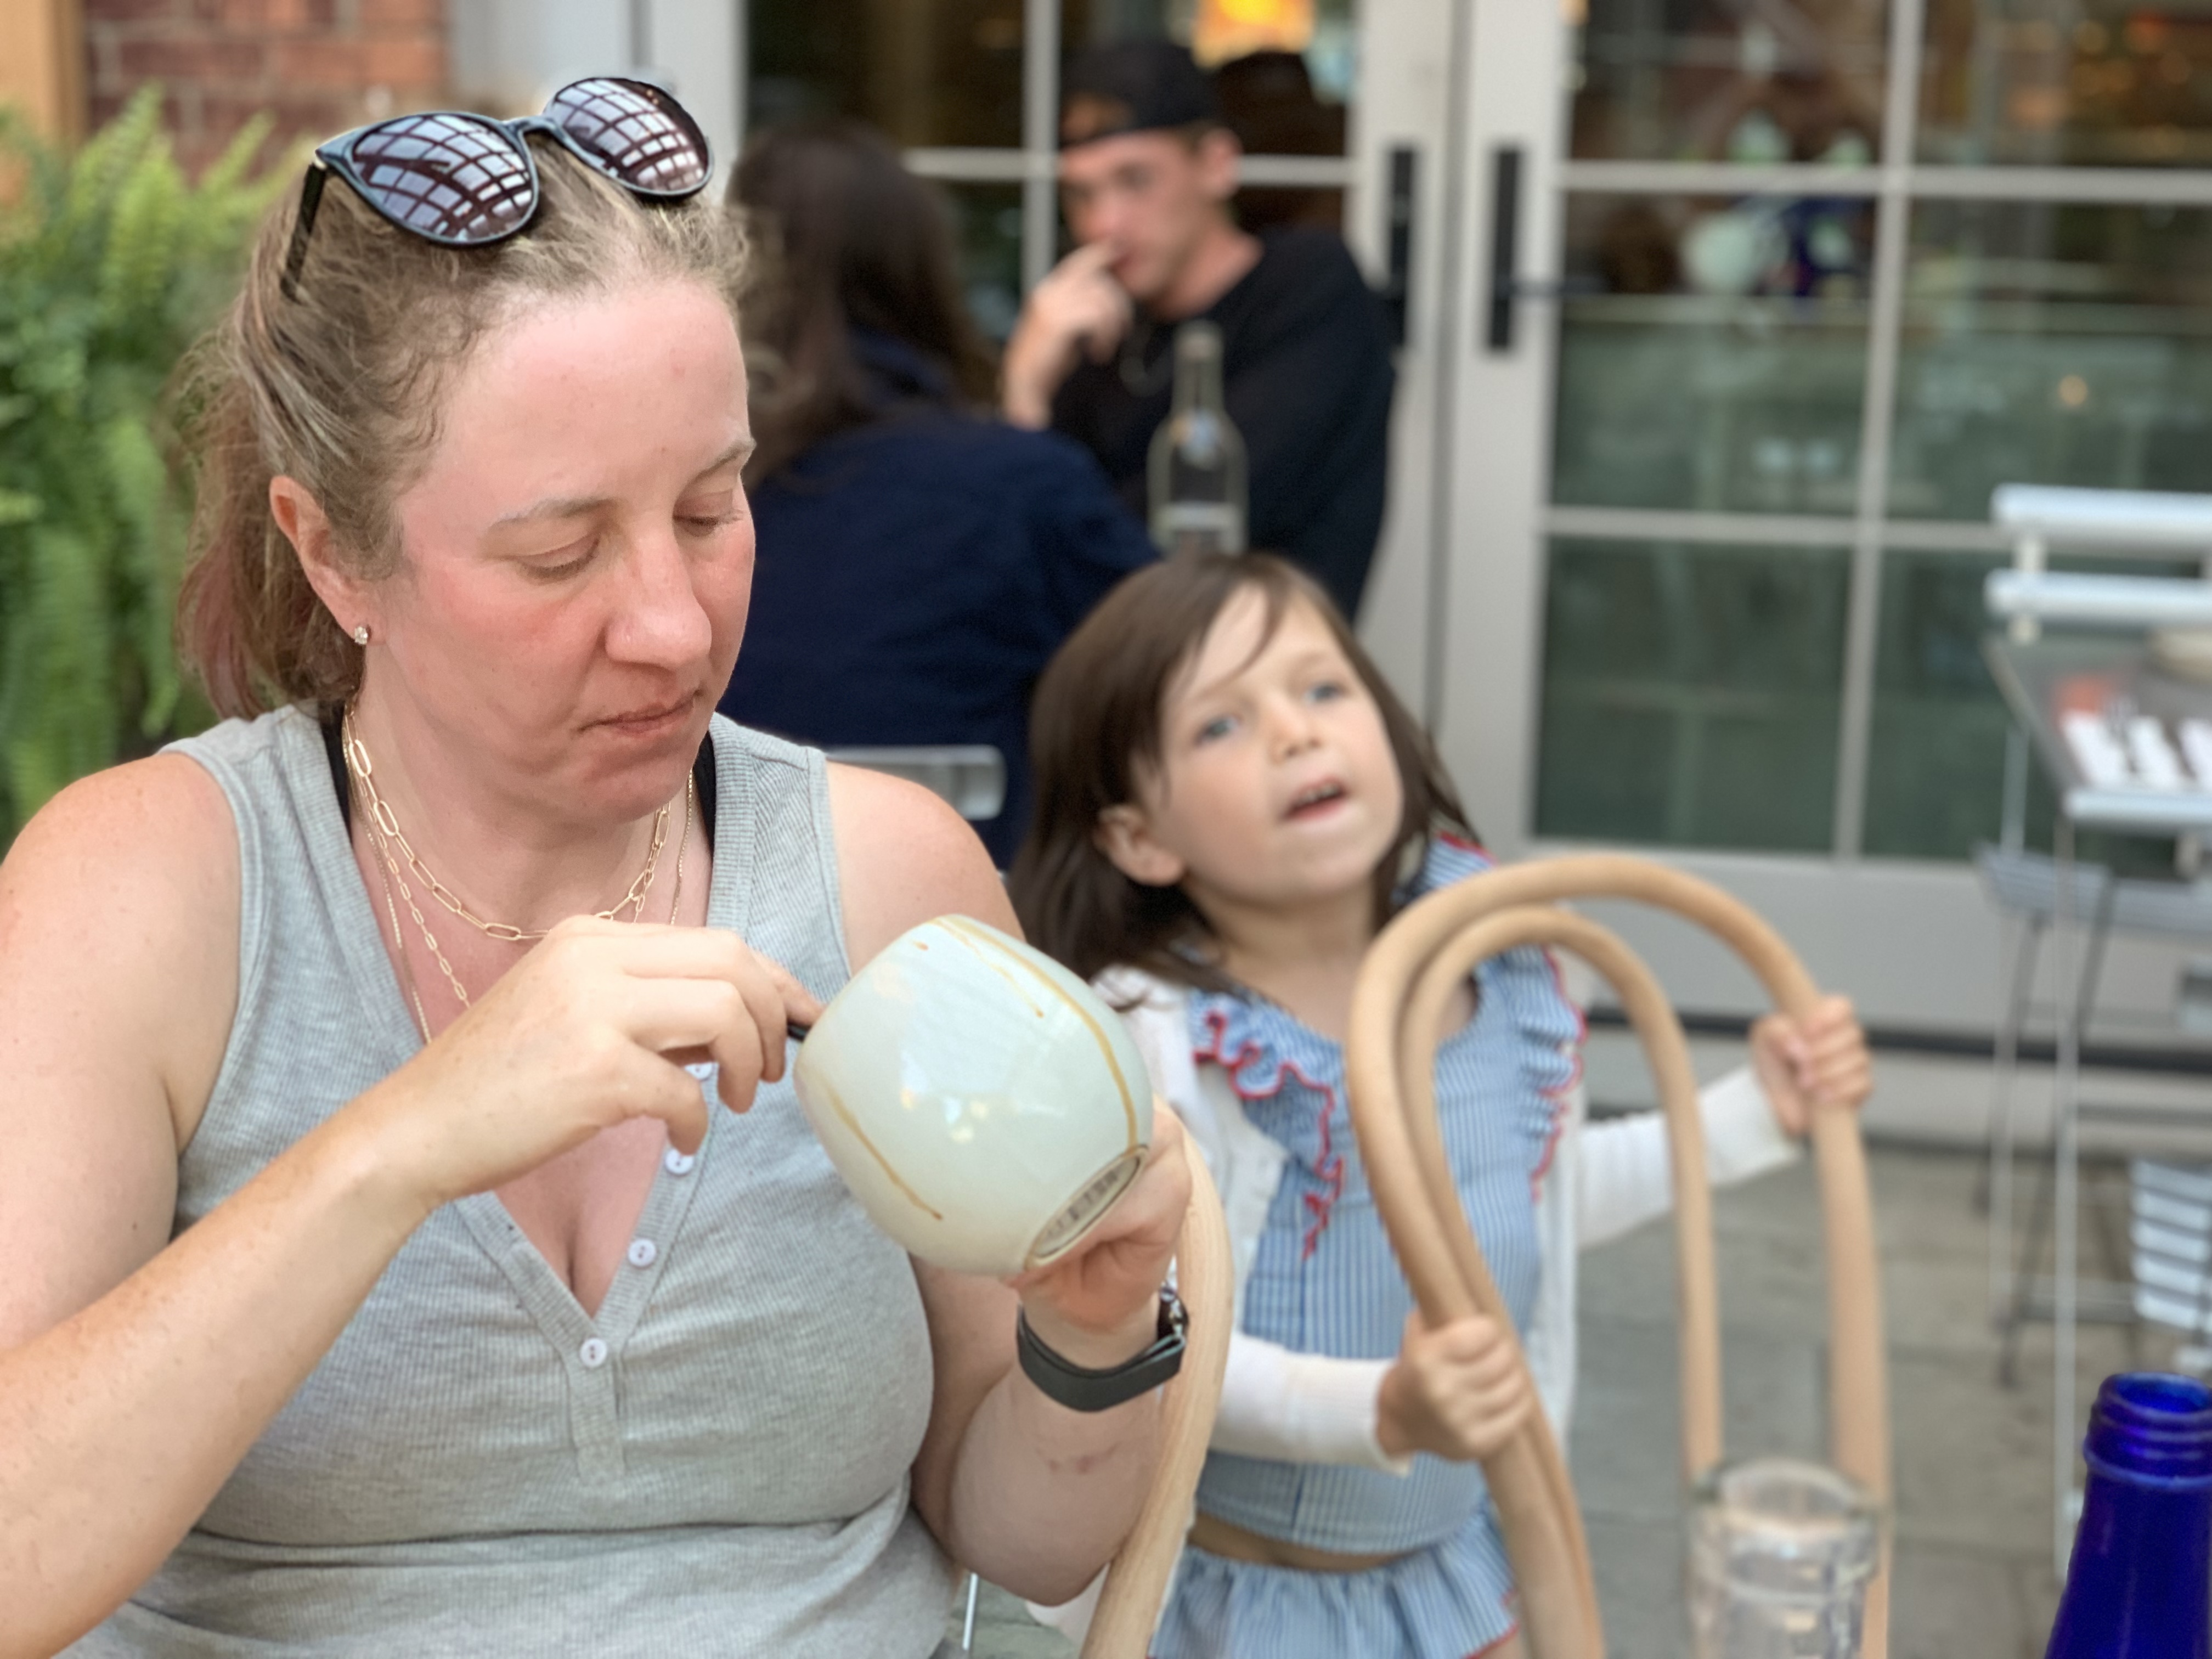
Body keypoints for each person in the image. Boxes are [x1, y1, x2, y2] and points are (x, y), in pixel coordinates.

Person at [0, 80, 1189, 1657]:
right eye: (559, 552)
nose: (676, 627)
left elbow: (1017, 1538)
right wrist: (403, 1141)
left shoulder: (884, 873)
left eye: (711, 507)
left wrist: (1094, 1338)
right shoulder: (151, 890)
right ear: (332, 550)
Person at [1009, 553, 1872, 1658]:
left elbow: (1532, 1195)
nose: (1295, 733)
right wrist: (1384, 1408)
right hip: (1256, 1601)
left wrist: (1759, 1112)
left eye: (1323, 688)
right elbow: (1148, 1338)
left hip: (1454, 1576)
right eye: (1221, 723)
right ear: (1140, 837)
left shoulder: (1491, 970)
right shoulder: (1162, 1039)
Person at [719, 120, 1155, 866]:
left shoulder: (706, 498)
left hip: (725, 905)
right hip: (973, 909)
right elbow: (1177, 667)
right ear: (921, 272)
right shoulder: (1017, 485)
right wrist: (1021, 417)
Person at [1000, 41, 1395, 619]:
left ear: (1215, 165)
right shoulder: (1101, 326)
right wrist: (1025, 391)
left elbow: (1170, 543)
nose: (1105, 224)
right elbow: (1017, 554)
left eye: (1136, 180)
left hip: (1255, 655)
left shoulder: (1306, 289)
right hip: (1108, 657)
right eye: (1080, 194)